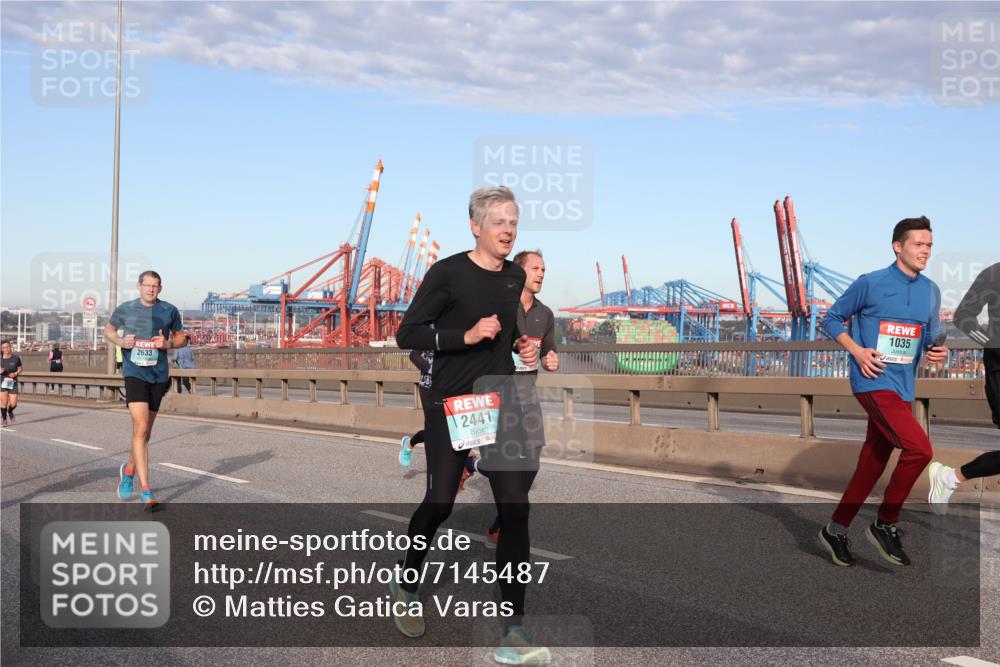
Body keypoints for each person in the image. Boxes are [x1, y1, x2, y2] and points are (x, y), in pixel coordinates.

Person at [391, 186, 549, 665]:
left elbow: (511, 327)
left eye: (514, 222)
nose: (508, 230)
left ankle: (513, 634)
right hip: (450, 404)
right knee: (439, 503)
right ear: (476, 226)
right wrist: (466, 335)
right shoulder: (448, 273)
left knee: (516, 509)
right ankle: (407, 581)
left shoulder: (515, 276)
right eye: (499, 222)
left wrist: (525, 346)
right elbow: (407, 334)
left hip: (497, 402)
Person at [817, 216, 946, 567]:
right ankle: (885, 523)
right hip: (872, 380)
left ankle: (835, 529)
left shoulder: (931, 291)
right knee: (920, 449)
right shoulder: (870, 283)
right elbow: (829, 319)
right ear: (898, 246)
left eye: (929, 245)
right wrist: (857, 351)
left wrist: (937, 351)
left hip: (903, 387)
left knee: (871, 463)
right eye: (919, 244)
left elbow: (931, 340)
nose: (925, 251)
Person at [483, 249, 559, 547]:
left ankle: (501, 520)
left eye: (544, 270)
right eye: (536, 268)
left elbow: (549, 351)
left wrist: (551, 359)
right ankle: (507, 524)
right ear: (518, 272)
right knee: (500, 465)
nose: (541, 274)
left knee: (532, 464)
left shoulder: (545, 314)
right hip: (497, 397)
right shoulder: (500, 307)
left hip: (528, 398)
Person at [104, 270, 188, 510]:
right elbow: (109, 329)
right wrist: (121, 342)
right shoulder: (126, 308)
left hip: (158, 376)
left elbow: (183, 338)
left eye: (156, 286)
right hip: (134, 374)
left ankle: (129, 470)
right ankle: (147, 491)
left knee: (145, 433)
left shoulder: (169, 310)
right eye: (147, 285)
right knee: (140, 428)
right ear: (139, 286)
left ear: (160, 288)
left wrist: (168, 343)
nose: (151, 289)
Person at [927, 261, 1000, 513]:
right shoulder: (993, 273)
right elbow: (963, 316)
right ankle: (951, 478)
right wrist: (991, 344)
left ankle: (950, 478)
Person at [399, 348, 479, 488]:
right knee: (436, 429)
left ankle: (459, 463)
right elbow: (414, 354)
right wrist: (432, 370)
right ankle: (409, 445)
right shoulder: (430, 328)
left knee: (455, 425)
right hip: (430, 388)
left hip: (454, 386)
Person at [1, 340, 23, 427]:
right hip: (2, 383)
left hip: (12, 383)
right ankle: (4, 420)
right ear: (1, 349)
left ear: (11, 347)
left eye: (8, 347)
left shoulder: (16, 358)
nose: (7, 349)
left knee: (13, 403)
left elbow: (20, 369)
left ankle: (10, 411)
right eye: (4, 347)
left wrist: (16, 373)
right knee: (4, 403)